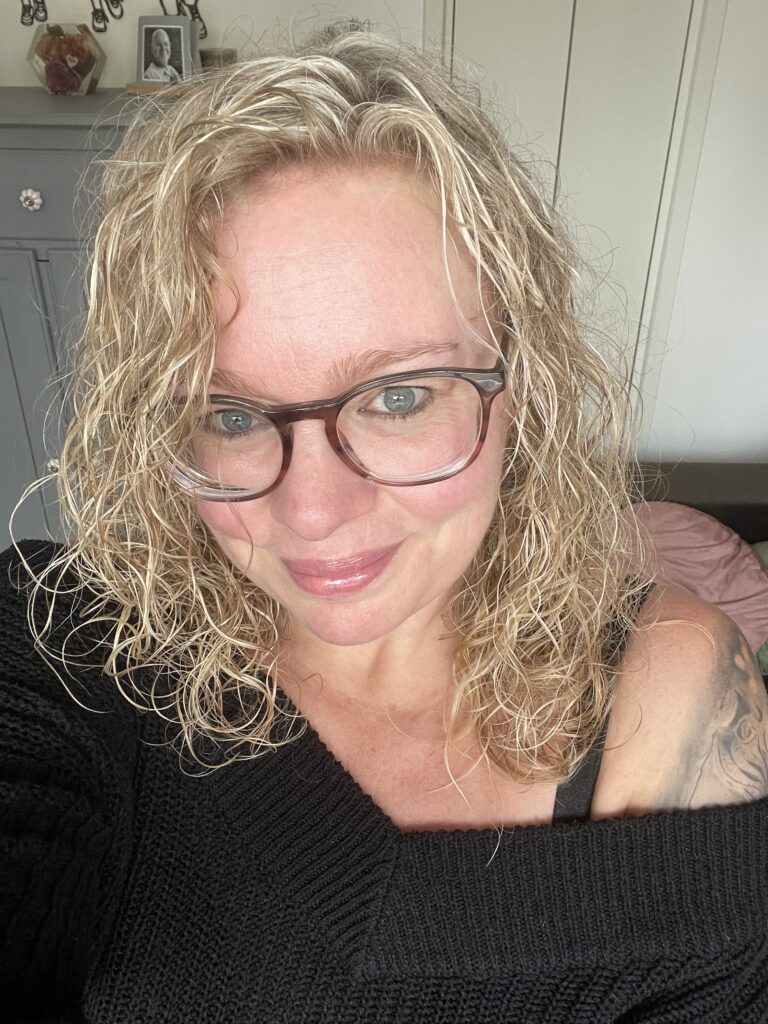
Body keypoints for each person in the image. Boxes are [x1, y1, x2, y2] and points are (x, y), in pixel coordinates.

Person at [1, 20, 767, 1023]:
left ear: (521, 385)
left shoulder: (669, 687)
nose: (313, 512)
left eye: (399, 397)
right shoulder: (63, 642)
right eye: (228, 415)